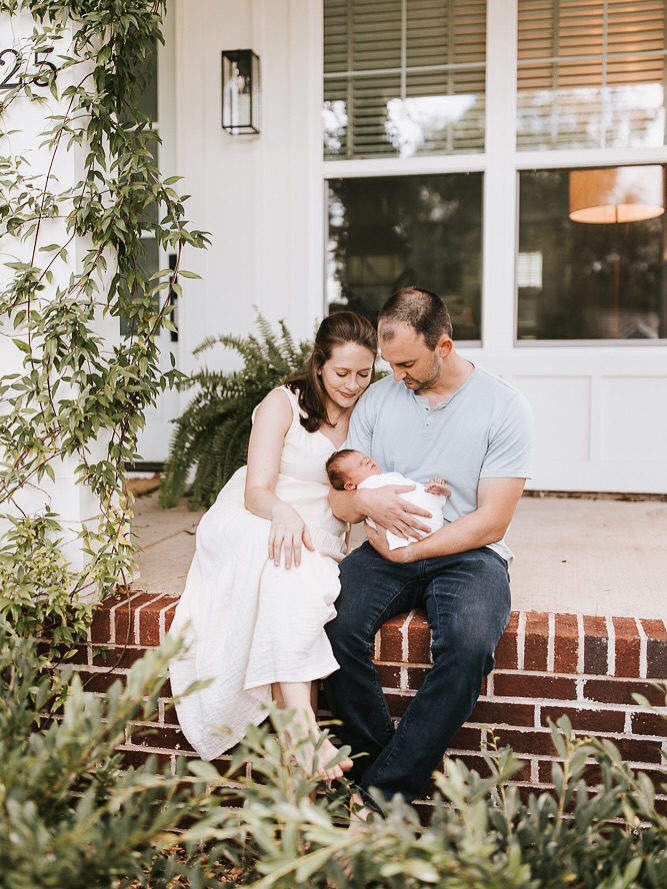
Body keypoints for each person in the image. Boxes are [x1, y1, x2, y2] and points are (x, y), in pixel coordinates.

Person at [323, 286, 533, 814]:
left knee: (468, 646)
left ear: (443, 345)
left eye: (407, 364)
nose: (396, 376)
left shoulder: (504, 406)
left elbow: (493, 520)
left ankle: (376, 800)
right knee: (331, 625)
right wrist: (366, 501)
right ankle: (383, 787)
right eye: (390, 363)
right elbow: (340, 499)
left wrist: (414, 554)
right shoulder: (377, 400)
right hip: (385, 545)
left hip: (470, 552)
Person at [168, 311, 378, 780]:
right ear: (319, 364)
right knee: (288, 564)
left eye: (364, 374)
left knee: (295, 582)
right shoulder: (282, 404)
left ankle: (299, 761)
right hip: (256, 518)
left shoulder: (370, 413)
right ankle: (304, 733)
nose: (352, 385)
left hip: (318, 535)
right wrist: (282, 512)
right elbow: (255, 491)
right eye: (341, 373)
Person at [325, 448, 449, 549]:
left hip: (431, 522)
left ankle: (435, 492)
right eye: (361, 464)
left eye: (366, 458)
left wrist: (427, 489)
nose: (368, 461)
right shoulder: (366, 489)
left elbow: (410, 489)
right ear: (349, 486)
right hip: (421, 531)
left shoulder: (387, 478)